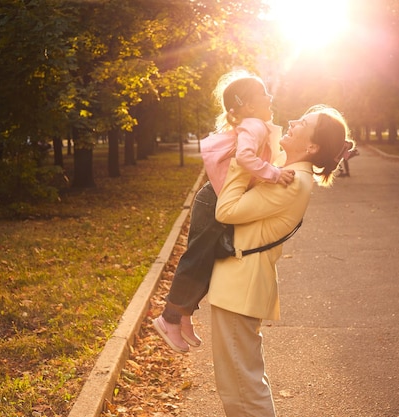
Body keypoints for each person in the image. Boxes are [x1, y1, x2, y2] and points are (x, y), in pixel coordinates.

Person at [208, 104, 356, 416]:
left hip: (241, 287)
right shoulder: (284, 172)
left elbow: (226, 211)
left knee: (244, 390)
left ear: (312, 146)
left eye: (302, 122)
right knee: (237, 388)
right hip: (239, 285)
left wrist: (241, 162)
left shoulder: (292, 182)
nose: (292, 121)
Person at [152, 70, 295, 353]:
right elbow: (245, 157)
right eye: (264, 93)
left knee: (206, 260)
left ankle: (183, 316)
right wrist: (274, 174)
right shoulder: (253, 125)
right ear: (248, 106)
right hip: (213, 200)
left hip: (216, 198)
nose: (270, 97)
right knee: (197, 259)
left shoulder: (255, 122)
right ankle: (169, 318)